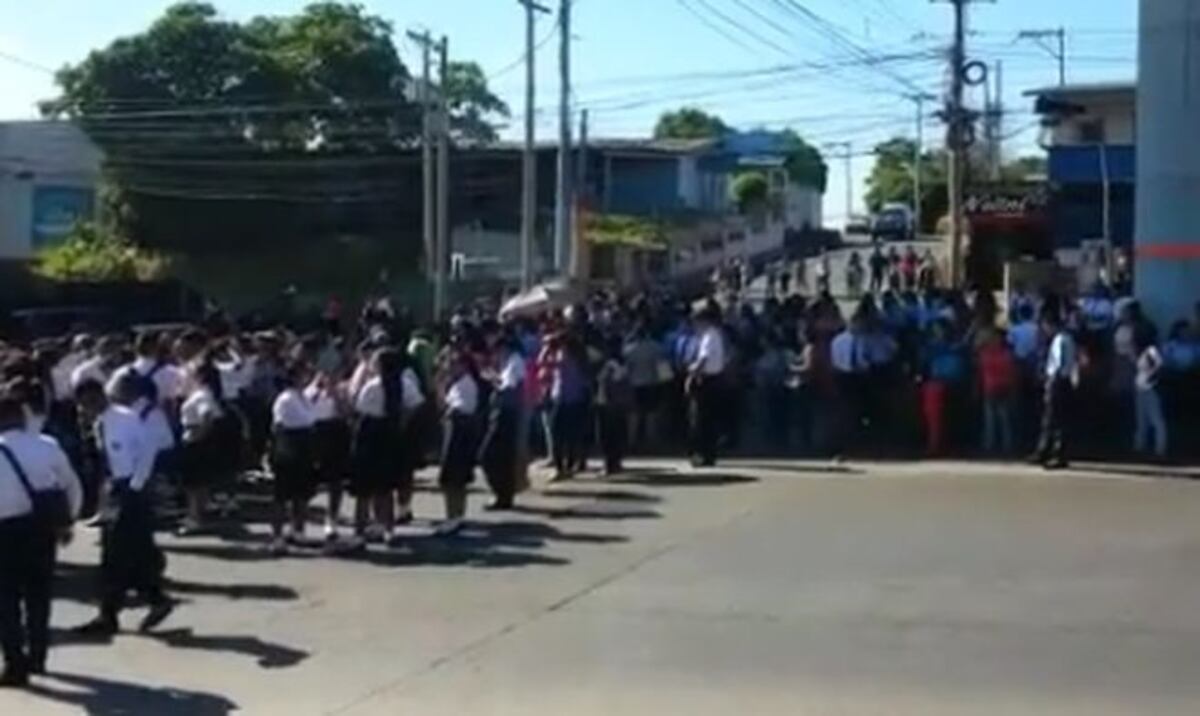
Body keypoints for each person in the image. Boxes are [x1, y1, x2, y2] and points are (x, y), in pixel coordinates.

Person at [73, 376, 175, 637]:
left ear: (96, 397)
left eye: (86, 404)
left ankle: (112, 613)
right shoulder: (101, 423)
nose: (84, 410)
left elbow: (149, 448)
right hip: (114, 488)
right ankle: (151, 599)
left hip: (131, 489)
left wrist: (136, 485)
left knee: (117, 553)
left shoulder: (125, 419)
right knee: (127, 551)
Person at [0, 394, 82, 687]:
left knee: (6, 601)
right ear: (22, 417)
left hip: (5, 532)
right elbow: (71, 484)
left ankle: (14, 663)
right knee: (39, 594)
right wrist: (67, 522)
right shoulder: (47, 446)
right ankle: (38, 655)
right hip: (40, 529)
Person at [351, 348, 424, 543]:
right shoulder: (404, 383)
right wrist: (402, 421)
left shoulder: (372, 386)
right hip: (392, 435)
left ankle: (360, 530)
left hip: (370, 433)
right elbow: (416, 404)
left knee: (364, 489)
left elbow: (359, 409)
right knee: (386, 488)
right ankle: (388, 529)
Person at [268, 364, 318, 555]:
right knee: (281, 496)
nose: (306, 377)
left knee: (301, 494)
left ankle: (298, 530)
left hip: (304, 446)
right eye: (303, 374)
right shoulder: (286, 399)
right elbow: (280, 426)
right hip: (289, 447)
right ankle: (277, 537)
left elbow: (312, 417)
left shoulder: (303, 396)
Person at [305, 369, 352, 543]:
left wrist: (335, 395)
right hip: (315, 433)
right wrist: (318, 391)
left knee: (335, 482)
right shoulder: (309, 391)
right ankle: (300, 520)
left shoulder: (341, 391)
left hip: (335, 432)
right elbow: (307, 409)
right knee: (309, 480)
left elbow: (346, 413)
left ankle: (331, 520)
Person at [478, 333, 524, 510]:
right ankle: (503, 495)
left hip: (506, 414)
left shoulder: (514, 362)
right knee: (501, 457)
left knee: (490, 455)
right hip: (501, 413)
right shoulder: (508, 363)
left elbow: (508, 388)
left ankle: (502, 493)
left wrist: (492, 379)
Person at [438, 351, 480, 535]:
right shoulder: (456, 384)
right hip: (453, 428)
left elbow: (460, 409)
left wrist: (449, 412)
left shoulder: (467, 384)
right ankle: (455, 515)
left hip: (459, 431)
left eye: (453, 364)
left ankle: (454, 516)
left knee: (452, 478)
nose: (450, 368)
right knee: (454, 477)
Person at [1033, 311, 1077, 470]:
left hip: (1058, 381)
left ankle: (1056, 453)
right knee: (1056, 419)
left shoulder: (1060, 340)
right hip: (1064, 381)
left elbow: (1059, 363)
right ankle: (1048, 451)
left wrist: (1051, 381)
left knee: (1054, 419)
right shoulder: (1068, 338)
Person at [688, 307, 727, 467]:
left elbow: (704, 358)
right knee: (709, 419)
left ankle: (702, 454)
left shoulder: (709, 336)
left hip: (707, 379)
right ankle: (708, 454)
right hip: (715, 378)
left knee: (701, 419)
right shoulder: (715, 335)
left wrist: (693, 371)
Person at [595, 340, 633, 475]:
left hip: (607, 405)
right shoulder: (624, 366)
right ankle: (616, 462)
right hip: (620, 405)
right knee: (618, 435)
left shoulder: (608, 367)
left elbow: (604, 386)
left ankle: (609, 464)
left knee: (607, 437)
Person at [978, 329, 1018, 456]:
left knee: (996, 419)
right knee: (998, 419)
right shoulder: (1006, 354)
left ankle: (994, 444)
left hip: (998, 387)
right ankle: (1002, 444)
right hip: (995, 387)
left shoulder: (986, 353)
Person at [1133, 327, 1168, 460]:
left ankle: (1160, 449)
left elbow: (1160, 364)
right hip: (1141, 388)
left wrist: (1150, 376)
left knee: (1156, 419)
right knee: (1141, 420)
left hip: (1150, 388)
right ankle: (1139, 447)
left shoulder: (1151, 350)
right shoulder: (1141, 352)